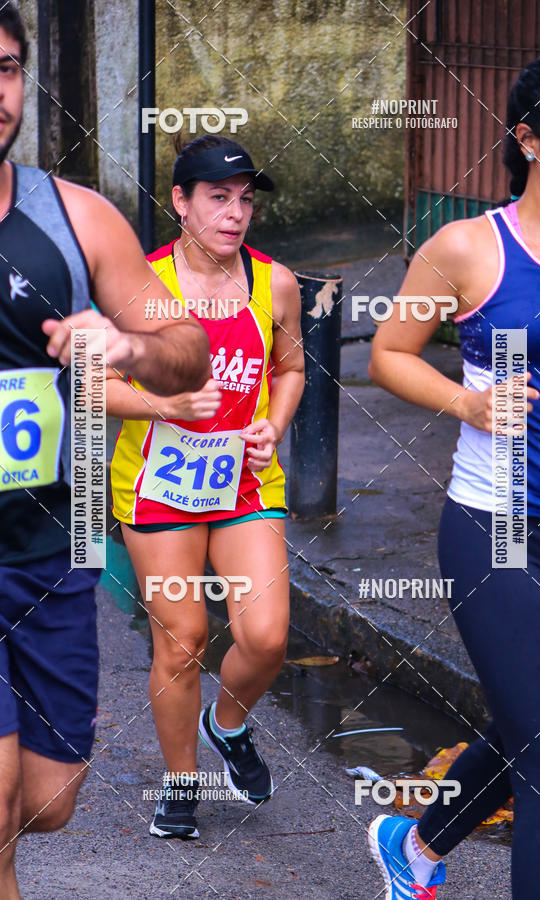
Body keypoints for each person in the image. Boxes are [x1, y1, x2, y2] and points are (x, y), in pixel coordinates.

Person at [368, 48, 540, 900]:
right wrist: (467, 404)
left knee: (529, 734)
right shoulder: (469, 248)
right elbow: (390, 353)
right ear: (529, 140)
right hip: (498, 526)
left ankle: (415, 845)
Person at [0, 5, 211, 895]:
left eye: (5, 69)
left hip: (56, 542)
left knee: (45, 801)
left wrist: (131, 347)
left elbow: (189, 349)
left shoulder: (77, 218)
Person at [108, 134, 304, 838]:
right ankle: (181, 782)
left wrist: (273, 425)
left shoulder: (273, 282)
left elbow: (290, 369)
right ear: (181, 203)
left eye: (245, 200)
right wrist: (165, 406)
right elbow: (96, 385)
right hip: (160, 483)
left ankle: (228, 725)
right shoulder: (141, 285)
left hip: (246, 479)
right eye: (218, 198)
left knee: (268, 635)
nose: (235, 213)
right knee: (184, 637)